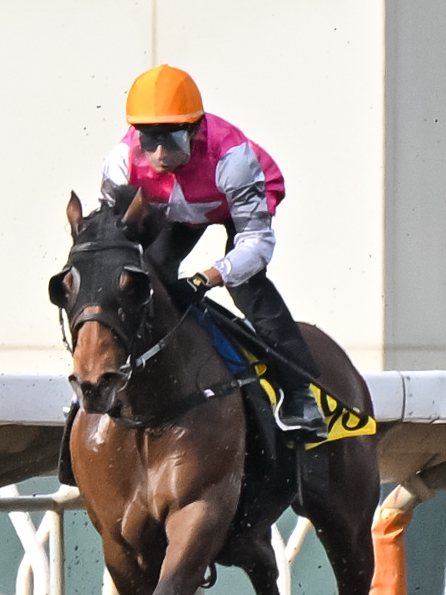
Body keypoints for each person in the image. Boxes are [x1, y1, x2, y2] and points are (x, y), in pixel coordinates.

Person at [101, 64, 327, 438]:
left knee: (248, 288)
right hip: (172, 208)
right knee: (147, 273)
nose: (158, 154)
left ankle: (298, 392)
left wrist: (209, 276)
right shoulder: (121, 162)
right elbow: (112, 240)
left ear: (193, 129)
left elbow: (257, 243)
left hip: (229, 204)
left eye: (171, 140)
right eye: (148, 140)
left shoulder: (233, 159)